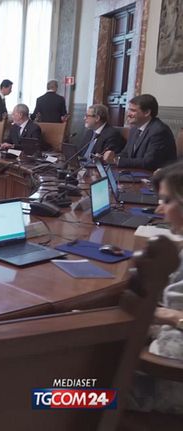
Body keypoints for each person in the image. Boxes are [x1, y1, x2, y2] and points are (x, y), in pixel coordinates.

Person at [129, 160, 183, 414]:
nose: (159, 209)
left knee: (50, 394)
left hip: (166, 384)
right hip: (165, 358)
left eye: (167, 200)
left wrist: (165, 315)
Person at [103, 94, 176, 171]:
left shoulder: (159, 131)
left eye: (133, 110)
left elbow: (149, 162)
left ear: (147, 112)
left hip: (155, 175)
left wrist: (118, 161)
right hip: (136, 173)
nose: (128, 114)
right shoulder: (134, 129)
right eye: (129, 110)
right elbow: (126, 153)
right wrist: (113, 157)